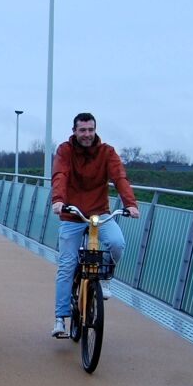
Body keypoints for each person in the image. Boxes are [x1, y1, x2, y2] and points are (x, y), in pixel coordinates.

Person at [49, 112, 140, 338]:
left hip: (99, 213)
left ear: (95, 130)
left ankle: (103, 277)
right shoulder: (65, 151)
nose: (87, 134)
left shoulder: (107, 152)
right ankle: (60, 318)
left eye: (90, 130)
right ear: (74, 131)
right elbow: (60, 174)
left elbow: (120, 177)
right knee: (67, 264)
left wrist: (130, 204)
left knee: (117, 243)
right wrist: (58, 201)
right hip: (73, 214)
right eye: (82, 130)